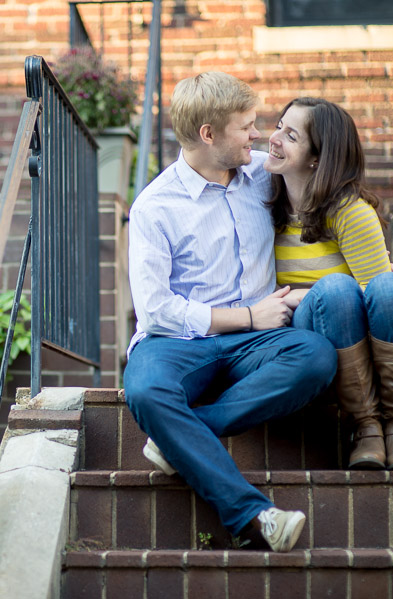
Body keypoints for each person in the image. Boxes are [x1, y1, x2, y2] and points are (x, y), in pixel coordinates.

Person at [124, 72, 337, 553]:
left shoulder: (264, 173)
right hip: (178, 343)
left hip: (256, 344)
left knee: (316, 356)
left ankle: (178, 436)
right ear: (208, 135)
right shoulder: (154, 207)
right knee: (144, 388)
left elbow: (329, 177)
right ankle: (253, 516)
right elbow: (156, 310)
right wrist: (245, 317)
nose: (258, 135)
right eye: (247, 126)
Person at [264, 97, 393, 470]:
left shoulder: (350, 212)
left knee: (392, 287)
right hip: (305, 334)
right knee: (336, 289)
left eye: (290, 135)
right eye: (278, 127)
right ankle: (366, 427)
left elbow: (378, 295)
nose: (274, 139)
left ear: (317, 159)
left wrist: (302, 295)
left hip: (348, 321)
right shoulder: (262, 203)